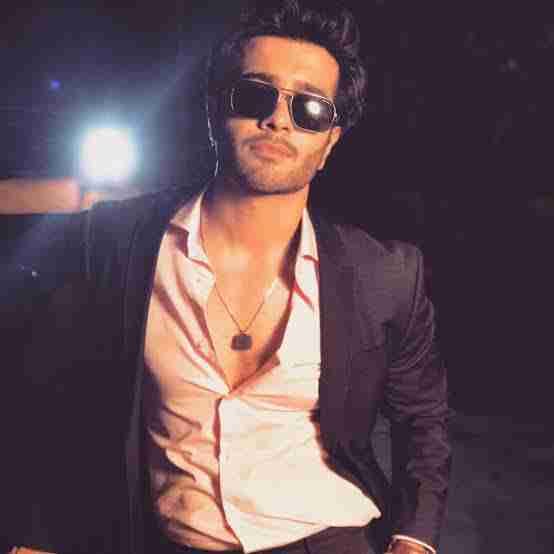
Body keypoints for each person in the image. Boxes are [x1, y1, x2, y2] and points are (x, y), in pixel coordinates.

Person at [10, 1, 450, 553]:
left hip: (327, 538)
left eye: (310, 108)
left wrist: (413, 539)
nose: (279, 120)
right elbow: (48, 391)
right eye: (256, 95)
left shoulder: (385, 274)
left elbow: (423, 419)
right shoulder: (115, 243)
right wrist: (37, 534)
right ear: (215, 109)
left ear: (329, 142)